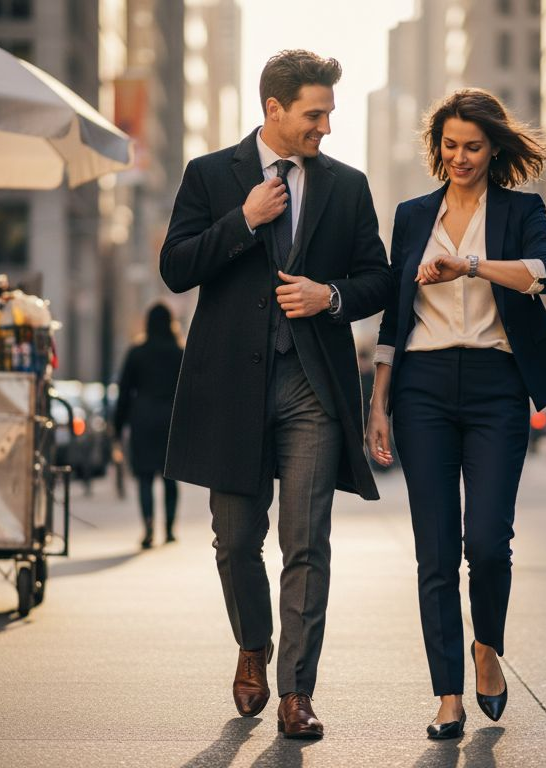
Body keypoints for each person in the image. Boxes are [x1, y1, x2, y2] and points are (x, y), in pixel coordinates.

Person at [158, 49, 391, 740]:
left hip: (312, 388)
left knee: (307, 542)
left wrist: (332, 296)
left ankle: (296, 691)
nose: (324, 126)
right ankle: (252, 644)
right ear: (274, 110)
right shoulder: (210, 176)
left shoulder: (347, 187)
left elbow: (379, 278)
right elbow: (176, 267)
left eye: (328, 114)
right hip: (230, 388)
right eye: (314, 114)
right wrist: (245, 220)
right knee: (234, 541)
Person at [366, 89, 546, 739]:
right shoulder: (410, 217)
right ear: (439, 148)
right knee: (435, 551)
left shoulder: (520, 212)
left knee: (487, 542)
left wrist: (470, 265)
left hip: (495, 386)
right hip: (422, 388)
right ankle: (447, 694)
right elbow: (393, 317)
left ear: (494, 149)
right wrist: (378, 401)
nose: (460, 157)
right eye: (450, 146)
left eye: (473, 146)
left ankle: (486, 648)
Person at [113, 303, 184, 549]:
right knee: (170, 478)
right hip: (171, 420)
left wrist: (117, 428)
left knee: (145, 477)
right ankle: (170, 530)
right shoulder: (179, 353)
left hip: (142, 419)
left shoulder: (136, 353)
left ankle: (149, 529)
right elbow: (189, 392)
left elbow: (123, 392)